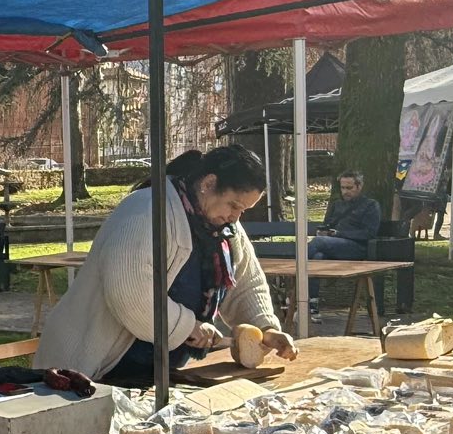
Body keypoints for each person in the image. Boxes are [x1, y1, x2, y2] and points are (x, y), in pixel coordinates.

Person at [35, 144, 296, 387]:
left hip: (157, 372)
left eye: (243, 210)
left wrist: (266, 329)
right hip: (90, 367)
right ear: (208, 183)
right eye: (234, 205)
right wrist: (188, 326)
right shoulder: (146, 210)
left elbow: (246, 283)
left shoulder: (225, 228)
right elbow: (129, 291)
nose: (236, 216)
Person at [309, 170, 380, 260]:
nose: (345, 192)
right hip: (334, 244)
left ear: (359, 187)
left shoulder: (370, 205)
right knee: (319, 256)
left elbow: (369, 234)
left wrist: (339, 234)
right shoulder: (337, 204)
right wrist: (323, 231)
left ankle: (296, 266)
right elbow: (326, 225)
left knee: (319, 241)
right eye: (342, 188)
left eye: (349, 188)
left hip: (357, 246)